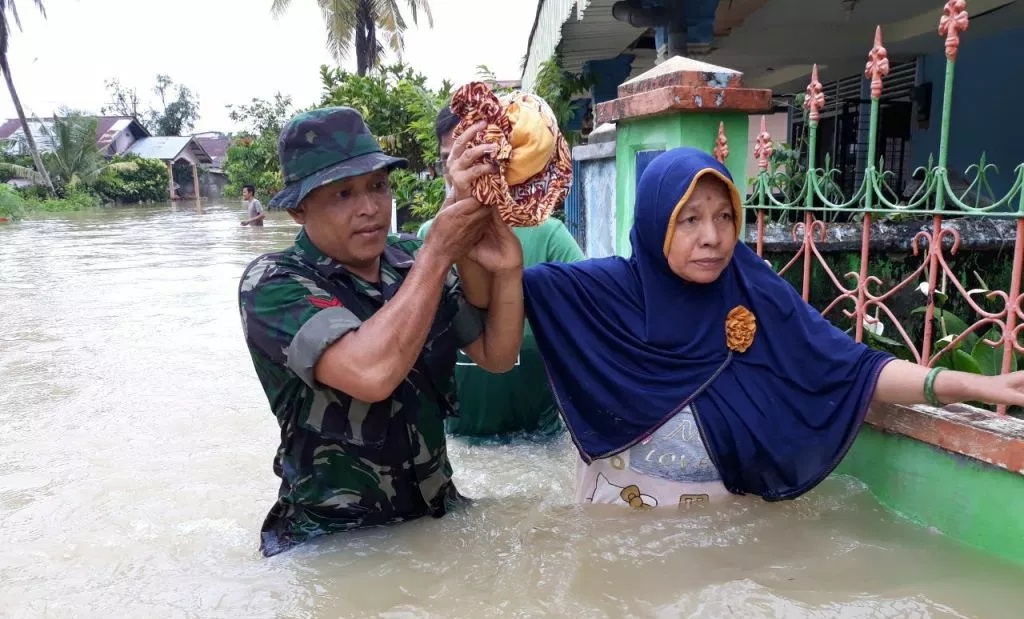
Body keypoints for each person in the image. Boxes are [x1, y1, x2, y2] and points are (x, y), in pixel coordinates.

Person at [519, 146, 1024, 509]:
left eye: (724, 216)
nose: (712, 237)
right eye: (689, 219)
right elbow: (506, 289)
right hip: (621, 524)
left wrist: (967, 383)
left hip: (722, 525)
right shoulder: (598, 293)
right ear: (657, 223)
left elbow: (853, 369)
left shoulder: (753, 291)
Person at [237, 106, 524, 557]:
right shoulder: (273, 283)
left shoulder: (409, 257)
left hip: (435, 516)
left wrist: (508, 271)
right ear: (297, 208)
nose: (370, 208)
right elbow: (371, 373)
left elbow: (497, 355)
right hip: (332, 542)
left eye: (377, 186)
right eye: (342, 194)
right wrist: (437, 254)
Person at [417, 106, 585, 439]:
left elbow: (594, 322)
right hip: (456, 442)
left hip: (538, 441)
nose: (459, 173)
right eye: (450, 161)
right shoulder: (428, 240)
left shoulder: (549, 236)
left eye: (472, 157)